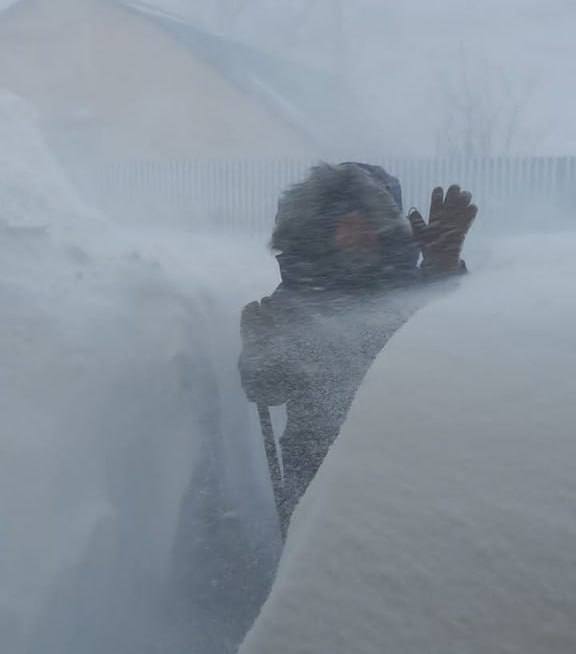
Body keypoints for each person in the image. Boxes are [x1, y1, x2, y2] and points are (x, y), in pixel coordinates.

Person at [239, 162, 477, 534]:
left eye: (368, 219)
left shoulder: (413, 288)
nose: (356, 230)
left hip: (412, 463)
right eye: (343, 220)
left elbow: (461, 358)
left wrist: (443, 270)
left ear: (388, 227)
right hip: (317, 471)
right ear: (321, 228)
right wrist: (260, 350)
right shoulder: (294, 300)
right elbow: (268, 391)